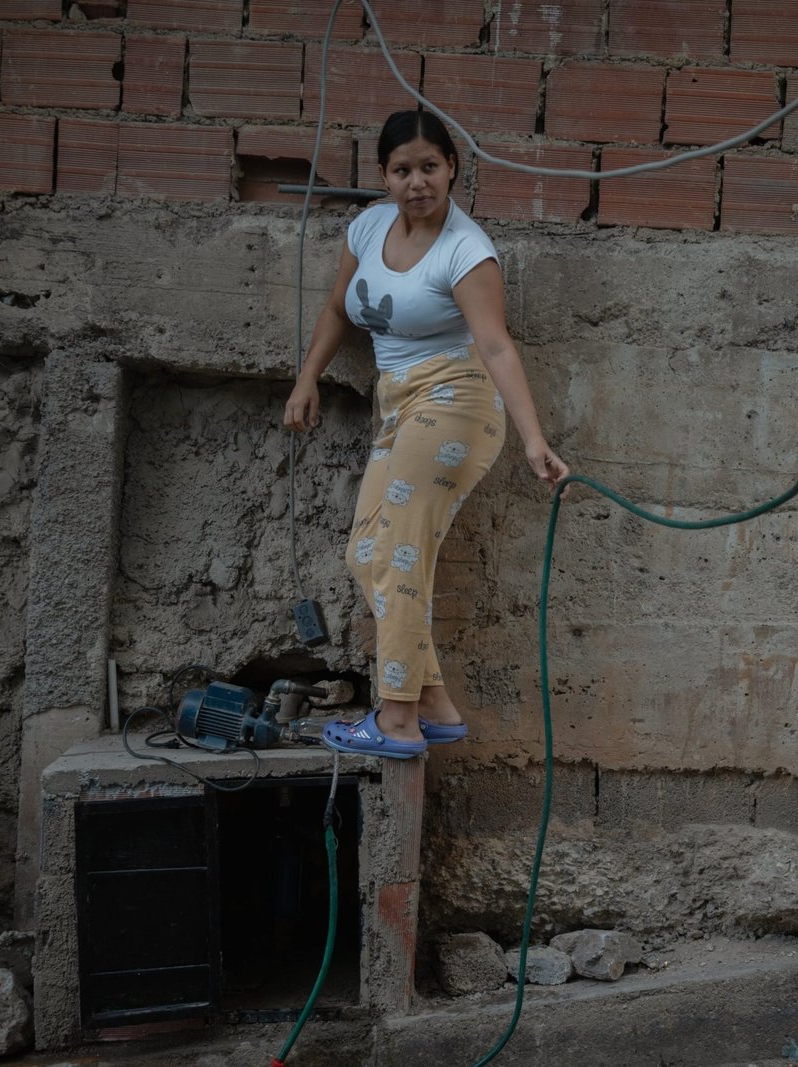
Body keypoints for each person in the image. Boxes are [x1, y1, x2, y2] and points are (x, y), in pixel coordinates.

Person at [283, 109, 569, 760]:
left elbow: (496, 346)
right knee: (367, 552)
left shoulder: (466, 250)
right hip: (400, 404)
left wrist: (533, 439)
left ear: (453, 171)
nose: (418, 182)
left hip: (458, 401)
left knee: (400, 551)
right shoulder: (368, 226)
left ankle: (398, 717)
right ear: (384, 176)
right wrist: (308, 380)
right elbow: (336, 308)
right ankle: (434, 703)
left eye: (431, 167)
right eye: (403, 169)